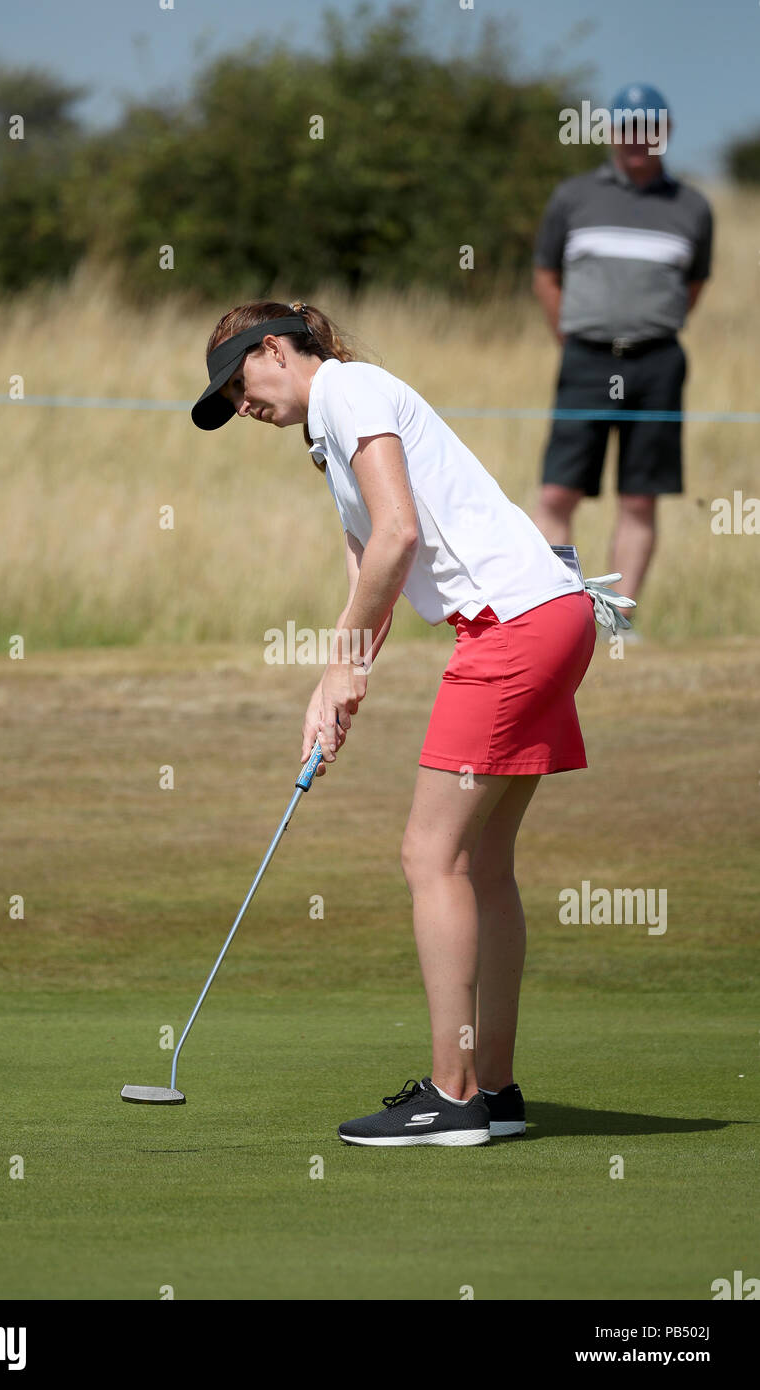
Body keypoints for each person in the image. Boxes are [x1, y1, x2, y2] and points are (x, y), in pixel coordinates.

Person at [191, 300, 598, 1148]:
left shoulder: (350, 390)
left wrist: (342, 659)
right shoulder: (328, 437)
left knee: (429, 855)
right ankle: (493, 1089)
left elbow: (400, 535)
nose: (240, 406)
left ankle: (451, 1102)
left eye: (238, 384)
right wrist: (338, 682)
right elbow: (368, 562)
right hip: (549, 616)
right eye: (227, 402)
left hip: (512, 626)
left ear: (274, 348)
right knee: (480, 862)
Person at [532, 84, 713, 620]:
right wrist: (571, 334)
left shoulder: (693, 206)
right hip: (585, 359)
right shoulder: (573, 196)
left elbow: (694, 284)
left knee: (639, 498)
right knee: (559, 493)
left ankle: (616, 622)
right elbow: (546, 273)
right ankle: (558, 616)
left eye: (649, 127)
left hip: (658, 362)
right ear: (610, 132)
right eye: (628, 126)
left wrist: (650, 326)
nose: (638, 138)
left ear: (667, 132)